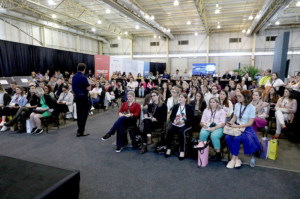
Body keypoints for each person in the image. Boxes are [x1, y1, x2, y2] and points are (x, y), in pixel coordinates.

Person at [225, 90, 261, 169]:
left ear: (245, 98)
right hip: (237, 126)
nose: (237, 98)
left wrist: (236, 126)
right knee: (227, 137)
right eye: (238, 96)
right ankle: (237, 158)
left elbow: (250, 123)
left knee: (236, 138)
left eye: (240, 96)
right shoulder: (237, 105)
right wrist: (230, 123)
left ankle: (233, 159)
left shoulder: (252, 108)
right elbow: (234, 117)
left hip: (246, 129)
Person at [165, 93, 194, 160]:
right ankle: (169, 148)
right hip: (176, 123)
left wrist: (184, 121)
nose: (180, 98)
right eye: (179, 97)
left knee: (181, 132)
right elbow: (172, 116)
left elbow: (192, 118)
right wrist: (174, 120)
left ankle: (182, 150)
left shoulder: (189, 107)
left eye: (182, 97)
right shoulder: (175, 106)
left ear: (185, 99)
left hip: (185, 124)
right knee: (169, 130)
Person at [200, 97, 226, 161]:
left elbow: (222, 123)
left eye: (213, 102)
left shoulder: (221, 111)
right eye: (210, 102)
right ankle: (203, 151)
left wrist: (214, 128)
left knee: (214, 136)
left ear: (217, 103)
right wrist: (205, 125)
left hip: (218, 126)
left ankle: (218, 153)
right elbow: (202, 120)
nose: (212, 103)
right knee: (202, 134)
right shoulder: (206, 110)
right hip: (207, 125)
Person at [72, 63, 91, 137]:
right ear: (84, 69)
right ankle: (81, 131)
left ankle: (79, 129)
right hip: (83, 97)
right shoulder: (83, 77)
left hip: (76, 96)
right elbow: (88, 88)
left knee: (79, 113)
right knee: (83, 114)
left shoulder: (74, 77)